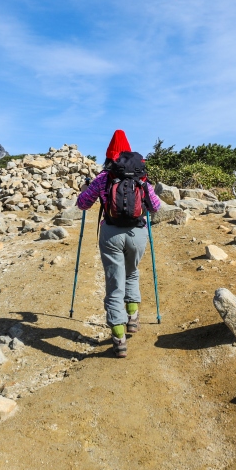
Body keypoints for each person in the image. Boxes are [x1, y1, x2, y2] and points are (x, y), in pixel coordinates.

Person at [76, 130, 162, 358]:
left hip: (111, 234)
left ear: (109, 155)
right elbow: (155, 207)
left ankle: (119, 338)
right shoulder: (140, 176)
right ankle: (132, 318)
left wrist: (84, 190)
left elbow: (83, 204)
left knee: (115, 282)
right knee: (132, 272)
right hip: (137, 233)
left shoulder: (103, 178)